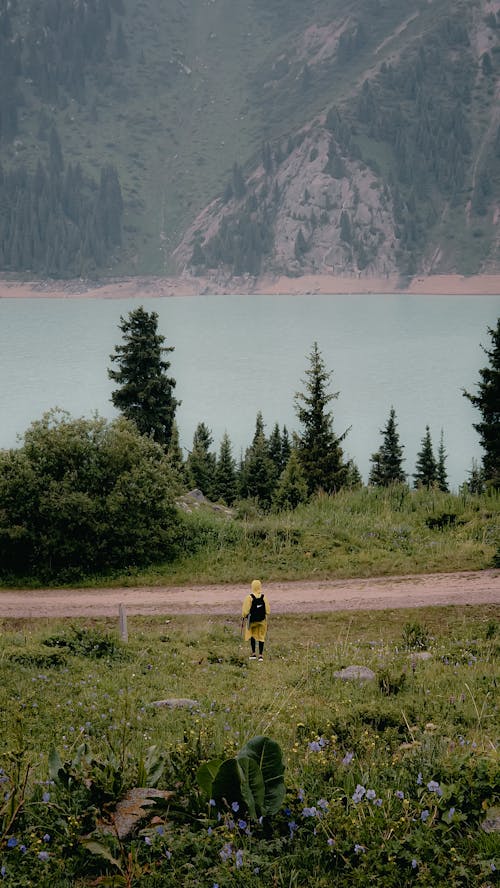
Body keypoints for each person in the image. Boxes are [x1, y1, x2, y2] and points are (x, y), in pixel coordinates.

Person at [242, 579, 270, 661]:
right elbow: (268, 611)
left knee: (251, 635)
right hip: (262, 620)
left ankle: (253, 653)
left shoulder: (249, 597)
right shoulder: (264, 597)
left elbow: (245, 611)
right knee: (261, 636)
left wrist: (244, 616)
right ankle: (260, 655)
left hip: (252, 621)